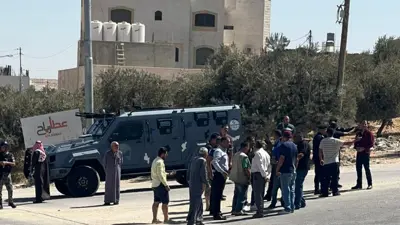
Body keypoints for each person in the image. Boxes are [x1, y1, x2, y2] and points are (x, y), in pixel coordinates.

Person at [319, 128, 352, 197]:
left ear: (327, 133)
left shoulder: (323, 141)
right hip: (334, 161)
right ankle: (335, 191)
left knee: (326, 178)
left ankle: (325, 192)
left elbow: (320, 151)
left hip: (326, 162)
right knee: (335, 177)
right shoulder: (335, 141)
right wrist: (355, 140)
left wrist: (321, 159)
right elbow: (346, 143)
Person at [186, 147, 210, 225]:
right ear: (205, 154)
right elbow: (203, 174)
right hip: (198, 184)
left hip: (192, 183)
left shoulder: (193, 159)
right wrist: (207, 183)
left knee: (195, 202)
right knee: (197, 202)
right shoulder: (203, 160)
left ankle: (198, 219)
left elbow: (188, 171)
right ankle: (193, 220)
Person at [276, 131, 297, 214]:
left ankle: (287, 208)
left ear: (283, 137)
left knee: (285, 190)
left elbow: (281, 159)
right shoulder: (294, 146)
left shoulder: (283, 146)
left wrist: (277, 169)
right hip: (293, 169)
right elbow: (296, 159)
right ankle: (292, 206)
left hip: (285, 170)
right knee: (292, 189)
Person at [329, 120, 354, 188]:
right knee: (336, 167)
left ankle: (332, 182)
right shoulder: (335, 132)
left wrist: (353, 128)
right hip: (335, 150)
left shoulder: (330, 131)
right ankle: (335, 182)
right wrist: (354, 129)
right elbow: (347, 133)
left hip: (329, 151)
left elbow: (346, 130)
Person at [210, 137, 230, 220]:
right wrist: (222, 171)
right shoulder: (218, 151)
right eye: (227, 142)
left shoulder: (223, 151)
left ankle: (217, 212)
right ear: (222, 142)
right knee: (217, 195)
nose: (228, 144)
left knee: (219, 195)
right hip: (219, 175)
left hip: (222, 175)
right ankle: (216, 214)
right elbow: (214, 162)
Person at [250, 140, 271, 218]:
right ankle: (260, 210)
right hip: (264, 174)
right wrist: (267, 175)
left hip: (258, 174)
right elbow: (269, 166)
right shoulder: (266, 154)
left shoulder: (257, 153)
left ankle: (260, 211)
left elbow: (260, 165)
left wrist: (264, 176)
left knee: (257, 194)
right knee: (261, 193)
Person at [352, 120, 374, 190]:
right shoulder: (358, 133)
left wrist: (364, 148)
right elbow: (355, 143)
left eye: (365, 124)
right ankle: (359, 184)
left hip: (365, 153)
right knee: (358, 169)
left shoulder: (369, 133)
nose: (364, 125)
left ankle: (370, 184)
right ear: (360, 125)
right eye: (362, 124)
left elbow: (371, 144)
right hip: (359, 154)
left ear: (367, 125)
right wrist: (356, 148)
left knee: (367, 169)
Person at [230, 142, 251, 216]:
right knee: (242, 195)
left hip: (236, 177)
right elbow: (246, 168)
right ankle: (238, 210)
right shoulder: (244, 157)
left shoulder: (236, 154)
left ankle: (233, 209)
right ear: (245, 147)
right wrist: (249, 176)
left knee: (236, 194)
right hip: (242, 178)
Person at [151, 147, 171, 224]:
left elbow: (159, 173)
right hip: (160, 184)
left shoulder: (155, 161)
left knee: (156, 202)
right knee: (165, 202)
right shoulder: (160, 162)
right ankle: (166, 219)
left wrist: (168, 174)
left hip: (155, 184)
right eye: (166, 154)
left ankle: (154, 219)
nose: (166, 155)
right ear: (163, 154)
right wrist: (166, 185)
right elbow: (160, 175)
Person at [267, 130, 284, 209]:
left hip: (278, 166)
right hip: (275, 165)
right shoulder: (276, 143)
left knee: (276, 186)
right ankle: (279, 200)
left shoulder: (280, 144)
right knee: (277, 185)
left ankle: (275, 202)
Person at [294, 132, 311, 210]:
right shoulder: (298, 144)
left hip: (302, 167)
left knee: (298, 185)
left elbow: (301, 154)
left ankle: (298, 203)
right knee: (298, 185)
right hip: (300, 168)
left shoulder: (303, 144)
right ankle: (302, 201)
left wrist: (295, 160)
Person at [205, 133, 221, 211]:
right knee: (210, 190)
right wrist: (210, 172)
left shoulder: (214, 148)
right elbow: (208, 161)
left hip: (211, 170)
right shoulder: (210, 148)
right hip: (210, 170)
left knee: (211, 190)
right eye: (217, 139)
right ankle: (209, 206)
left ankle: (210, 206)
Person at [103, 141, 123, 206]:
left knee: (117, 185)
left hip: (117, 171)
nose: (117, 147)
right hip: (109, 171)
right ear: (112, 147)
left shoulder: (120, 153)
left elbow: (121, 162)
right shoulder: (107, 153)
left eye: (118, 146)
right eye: (115, 146)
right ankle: (107, 200)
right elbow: (104, 163)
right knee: (109, 186)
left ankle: (116, 200)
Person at [0, 141, 16, 209]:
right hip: (0, 174)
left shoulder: (10, 154)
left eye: (6, 146)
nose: (5, 148)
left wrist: (6, 162)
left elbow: (14, 163)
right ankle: (0, 203)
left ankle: (10, 201)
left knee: (10, 189)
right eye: (3, 146)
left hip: (7, 174)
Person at [312, 125, 326, 195]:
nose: (325, 131)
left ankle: (317, 188)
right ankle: (318, 189)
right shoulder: (319, 137)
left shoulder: (317, 137)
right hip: (319, 158)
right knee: (320, 173)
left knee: (318, 173)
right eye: (324, 130)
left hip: (317, 157)